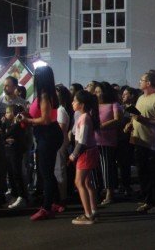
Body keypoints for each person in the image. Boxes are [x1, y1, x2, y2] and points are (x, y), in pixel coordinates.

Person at [17, 66, 64, 221]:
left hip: (47, 134)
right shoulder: (45, 94)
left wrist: (27, 120)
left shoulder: (44, 95)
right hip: (47, 134)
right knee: (47, 171)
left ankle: (46, 207)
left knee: (46, 173)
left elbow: (45, 119)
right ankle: (55, 202)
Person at [126, 72, 155, 213]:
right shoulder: (140, 98)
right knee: (143, 174)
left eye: (141, 80)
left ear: (149, 83)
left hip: (153, 143)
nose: (139, 82)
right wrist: (131, 123)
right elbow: (136, 115)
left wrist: (144, 120)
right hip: (140, 141)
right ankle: (148, 201)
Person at [69, 90, 101, 225]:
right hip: (89, 151)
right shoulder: (85, 116)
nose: (72, 103)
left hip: (85, 153)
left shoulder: (84, 118)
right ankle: (93, 211)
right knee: (87, 182)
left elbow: (81, 140)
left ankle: (88, 215)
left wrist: (73, 155)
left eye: (75, 101)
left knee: (79, 182)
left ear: (81, 104)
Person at [93, 82, 122, 207]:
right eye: (96, 91)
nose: (97, 94)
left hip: (107, 140)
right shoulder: (94, 105)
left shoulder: (114, 104)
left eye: (100, 91)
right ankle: (97, 191)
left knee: (107, 167)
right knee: (95, 168)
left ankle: (109, 193)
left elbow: (118, 120)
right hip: (93, 140)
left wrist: (102, 126)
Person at [0, 104, 28, 209]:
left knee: (16, 173)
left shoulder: (16, 125)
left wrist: (3, 133)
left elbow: (3, 135)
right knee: (11, 174)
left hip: (16, 151)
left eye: (7, 112)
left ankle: (21, 196)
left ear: (14, 113)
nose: (5, 114)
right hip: (10, 151)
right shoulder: (10, 124)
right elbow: (3, 135)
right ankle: (15, 195)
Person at [55, 85, 73, 205]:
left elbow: (61, 128)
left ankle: (62, 197)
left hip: (60, 142)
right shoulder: (63, 109)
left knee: (59, 169)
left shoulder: (61, 110)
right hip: (63, 141)